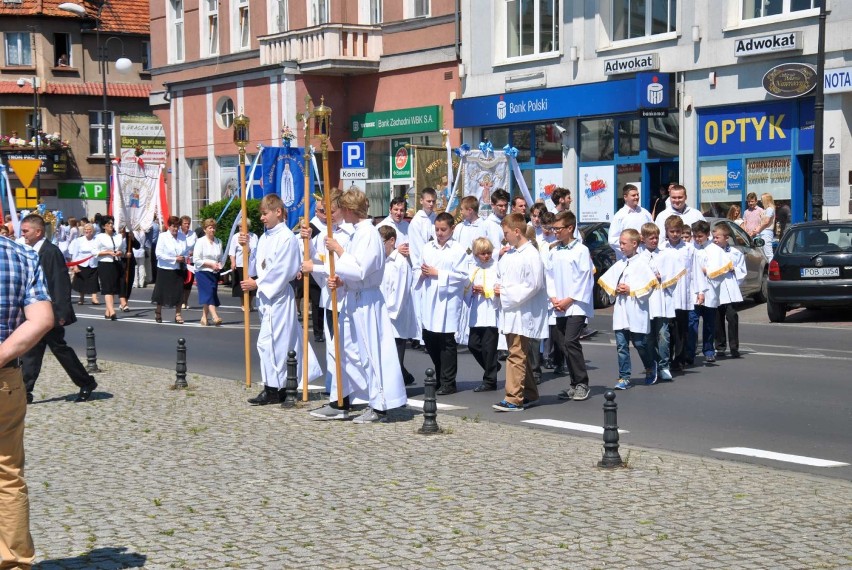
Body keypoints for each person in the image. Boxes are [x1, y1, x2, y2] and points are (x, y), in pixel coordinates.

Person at [308, 189, 406, 423]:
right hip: (354, 297)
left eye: (340, 208)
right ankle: (343, 399)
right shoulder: (358, 233)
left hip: (367, 301)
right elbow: (354, 271)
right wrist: (340, 278)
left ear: (350, 210)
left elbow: (361, 269)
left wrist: (339, 251)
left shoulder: (369, 234)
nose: (337, 212)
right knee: (345, 351)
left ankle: (379, 404)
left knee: (370, 353)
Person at [0, 231, 54, 570]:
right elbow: (43, 319)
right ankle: (14, 563)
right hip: (5, 378)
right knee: (7, 476)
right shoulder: (21, 255)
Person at [241, 195, 322, 406]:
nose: (261, 217)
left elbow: (283, 269)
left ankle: (276, 388)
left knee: (273, 343)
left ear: (278, 212)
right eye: (260, 213)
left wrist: (258, 284)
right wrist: (247, 248)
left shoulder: (286, 237)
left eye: (265, 213)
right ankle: (276, 386)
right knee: (272, 343)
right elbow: (257, 266)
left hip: (278, 297)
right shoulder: (266, 236)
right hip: (266, 299)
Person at [19, 214, 98, 404]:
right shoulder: (29, 250)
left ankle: (86, 382)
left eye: (25, 231)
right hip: (35, 310)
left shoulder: (50, 252)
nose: (23, 235)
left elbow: (60, 282)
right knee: (32, 350)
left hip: (49, 311)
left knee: (58, 349)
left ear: (38, 232)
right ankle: (25, 391)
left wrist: (61, 312)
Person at [492, 213, 548, 411]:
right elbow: (500, 275)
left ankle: (514, 398)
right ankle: (530, 394)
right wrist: (497, 287)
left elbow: (533, 285)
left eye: (506, 233)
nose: (504, 237)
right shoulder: (510, 254)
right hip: (511, 311)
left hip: (523, 313)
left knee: (515, 354)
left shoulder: (531, 255)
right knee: (519, 353)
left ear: (517, 231)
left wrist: (505, 292)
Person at [597, 228, 658, 390]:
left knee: (639, 343)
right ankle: (624, 376)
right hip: (622, 310)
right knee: (621, 345)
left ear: (634, 244)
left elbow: (649, 287)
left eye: (624, 243)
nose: (621, 246)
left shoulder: (642, 264)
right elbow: (608, 282)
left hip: (636, 309)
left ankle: (650, 366)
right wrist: (616, 289)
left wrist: (630, 289)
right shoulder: (621, 263)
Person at [416, 212, 468, 395]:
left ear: (452, 229)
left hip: (448, 300)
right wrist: (422, 273)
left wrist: (439, 273)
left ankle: (449, 381)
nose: (439, 233)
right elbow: (417, 268)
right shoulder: (428, 247)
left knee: (446, 341)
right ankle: (439, 376)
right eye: (437, 229)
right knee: (430, 339)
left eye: (443, 229)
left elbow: (463, 276)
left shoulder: (458, 250)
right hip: (430, 298)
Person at [545, 211, 593, 401]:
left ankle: (582, 382)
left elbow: (584, 278)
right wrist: (554, 297)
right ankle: (573, 384)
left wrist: (569, 299)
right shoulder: (554, 251)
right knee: (562, 344)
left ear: (570, 228)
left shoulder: (581, 250)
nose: (555, 232)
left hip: (575, 305)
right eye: (554, 229)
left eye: (558, 228)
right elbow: (548, 275)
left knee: (571, 341)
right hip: (558, 304)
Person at [638, 222, 684, 383]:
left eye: (656, 238)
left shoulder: (665, 255)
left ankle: (665, 365)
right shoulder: (639, 258)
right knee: (648, 337)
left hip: (662, 300)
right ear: (643, 239)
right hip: (647, 301)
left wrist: (662, 278)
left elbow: (673, 276)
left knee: (663, 334)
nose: (654, 241)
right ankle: (653, 364)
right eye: (651, 238)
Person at [378, 225, 418, 386]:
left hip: (395, 316)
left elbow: (400, 292)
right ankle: (404, 376)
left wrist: (390, 313)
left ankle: (398, 385)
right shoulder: (382, 261)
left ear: (391, 241)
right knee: (387, 354)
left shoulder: (400, 263)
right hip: (383, 312)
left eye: (381, 242)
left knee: (396, 351)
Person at [687, 220, 730, 365]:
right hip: (693, 291)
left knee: (709, 323)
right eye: (695, 236)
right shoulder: (690, 248)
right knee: (692, 322)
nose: (697, 239)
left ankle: (709, 350)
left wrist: (708, 271)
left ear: (707, 235)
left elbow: (724, 268)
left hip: (710, 290)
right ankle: (690, 351)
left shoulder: (716, 250)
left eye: (700, 236)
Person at [465, 237, 501, 392]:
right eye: (482, 253)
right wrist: (470, 290)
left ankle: (490, 380)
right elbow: (465, 289)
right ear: (475, 254)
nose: (486, 256)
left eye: (489, 253)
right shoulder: (473, 268)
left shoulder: (496, 268)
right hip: (476, 312)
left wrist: (486, 291)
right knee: (473, 344)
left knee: (489, 348)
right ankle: (493, 366)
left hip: (490, 313)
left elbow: (499, 289)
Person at [660, 217, 694, 373]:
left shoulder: (688, 248)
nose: (674, 234)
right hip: (667, 294)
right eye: (671, 231)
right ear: (666, 231)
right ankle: (666, 357)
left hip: (683, 293)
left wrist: (698, 292)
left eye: (677, 231)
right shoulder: (662, 248)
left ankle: (679, 359)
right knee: (668, 328)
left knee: (681, 329)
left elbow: (694, 272)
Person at [408, 188, 438, 346]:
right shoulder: (416, 221)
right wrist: (424, 267)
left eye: (433, 201)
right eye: (428, 201)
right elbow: (418, 247)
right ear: (421, 201)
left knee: (431, 304)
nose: (431, 204)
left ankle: (430, 334)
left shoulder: (436, 218)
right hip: (422, 268)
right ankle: (420, 337)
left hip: (433, 268)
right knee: (419, 304)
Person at [712, 224, 746, 359]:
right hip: (717, 289)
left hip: (730, 290)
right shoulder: (711, 253)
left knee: (732, 317)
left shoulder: (735, 253)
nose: (715, 240)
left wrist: (734, 270)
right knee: (717, 319)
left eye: (717, 237)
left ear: (726, 238)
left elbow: (742, 271)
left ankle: (734, 347)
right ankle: (720, 346)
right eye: (713, 237)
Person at [151, 216, 188, 324]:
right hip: (165, 268)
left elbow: (185, 251)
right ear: (169, 226)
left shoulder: (182, 237)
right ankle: (158, 311)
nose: (175, 229)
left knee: (179, 292)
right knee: (161, 292)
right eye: (173, 226)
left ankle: (178, 314)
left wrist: (184, 257)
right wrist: (174, 259)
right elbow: (158, 254)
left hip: (178, 268)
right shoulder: (163, 236)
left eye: (177, 226)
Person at [609, 184, 653, 260]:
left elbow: (653, 231)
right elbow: (612, 240)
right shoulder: (619, 216)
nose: (636, 197)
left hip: (646, 258)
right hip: (627, 259)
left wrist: (646, 237)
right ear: (625, 197)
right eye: (633, 195)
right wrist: (631, 243)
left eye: (637, 195)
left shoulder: (645, 213)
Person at [193, 218, 224, 326]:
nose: (212, 230)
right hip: (202, 272)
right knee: (209, 293)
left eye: (214, 228)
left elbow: (220, 258)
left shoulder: (219, 241)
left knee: (209, 294)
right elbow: (196, 260)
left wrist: (219, 264)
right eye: (210, 228)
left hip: (214, 272)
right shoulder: (200, 242)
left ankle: (204, 317)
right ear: (205, 229)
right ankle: (215, 316)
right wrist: (210, 264)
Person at [93, 216, 122, 320]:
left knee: (113, 288)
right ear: (103, 226)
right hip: (105, 264)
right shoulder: (100, 237)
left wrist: (119, 252)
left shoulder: (117, 236)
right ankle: (112, 311)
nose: (110, 225)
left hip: (116, 263)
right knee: (107, 288)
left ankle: (107, 311)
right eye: (108, 224)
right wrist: (108, 252)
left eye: (111, 223)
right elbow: (95, 252)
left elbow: (121, 249)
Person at [229, 219, 258, 312]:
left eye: (243, 226)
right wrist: (233, 262)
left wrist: (247, 242)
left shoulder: (254, 236)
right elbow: (232, 252)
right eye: (240, 226)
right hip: (240, 264)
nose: (241, 228)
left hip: (252, 265)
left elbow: (255, 250)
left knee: (252, 286)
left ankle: (249, 303)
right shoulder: (235, 237)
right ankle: (243, 304)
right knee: (241, 285)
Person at [70, 223, 100, 305]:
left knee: (94, 281)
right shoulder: (79, 240)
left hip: (93, 263)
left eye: (89, 229)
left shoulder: (96, 240)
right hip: (82, 263)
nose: (87, 231)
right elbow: (75, 254)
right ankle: (81, 297)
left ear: (92, 231)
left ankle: (94, 298)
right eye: (86, 230)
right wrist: (74, 265)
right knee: (81, 281)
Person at [452, 196, 487, 265]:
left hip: (479, 265)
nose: (461, 212)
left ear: (470, 210)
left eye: (462, 209)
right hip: (462, 266)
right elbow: (454, 246)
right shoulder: (459, 227)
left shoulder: (485, 226)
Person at [116, 225, 141, 312]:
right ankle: (123, 302)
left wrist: (133, 238)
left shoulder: (128, 236)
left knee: (129, 282)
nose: (122, 229)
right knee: (122, 281)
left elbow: (138, 246)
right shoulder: (115, 236)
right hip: (119, 262)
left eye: (123, 227)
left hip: (130, 262)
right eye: (121, 227)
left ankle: (125, 301)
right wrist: (123, 254)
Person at [484, 188, 510, 256]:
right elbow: (483, 247)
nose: (504, 208)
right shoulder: (487, 224)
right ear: (492, 205)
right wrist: (498, 253)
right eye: (500, 206)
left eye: (506, 205)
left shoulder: (511, 221)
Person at [178, 216, 197, 310]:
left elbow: (197, 246)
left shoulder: (193, 234)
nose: (187, 225)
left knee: (189, 282)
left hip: (190, 261)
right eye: (185, 223)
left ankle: (186, 301)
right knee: (181, 281)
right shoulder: (177, 234)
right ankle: (181, 301)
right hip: (181, 260)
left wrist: (193, 252)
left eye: (188, 223)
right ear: (181, 224)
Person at [758, 193, 776, 262]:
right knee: (763, 253)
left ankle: (772, 269)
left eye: (762, 200)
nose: (761, 201)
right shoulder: (766, 210)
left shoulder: (770, 209)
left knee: (768, 254)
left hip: (766, 232)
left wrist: (758, 229)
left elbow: (766, 221)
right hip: (763, 232)